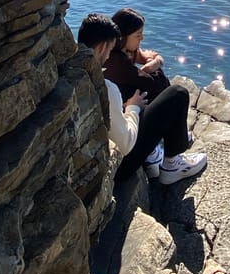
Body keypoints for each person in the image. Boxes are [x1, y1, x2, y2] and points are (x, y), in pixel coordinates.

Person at [77, 13, 207, 185]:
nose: (108, 56)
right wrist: (133, 108)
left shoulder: (74, 75)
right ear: (101, 48)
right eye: (108, 50)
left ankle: (155, 152)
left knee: (147, 92)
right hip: (119, 166)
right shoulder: (107, 88)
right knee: (178, 94)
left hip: (92, 161)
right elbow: (125, 144)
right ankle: (172, 166)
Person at [103, 7, 170, 103]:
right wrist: (151, 65)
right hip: (126, 106)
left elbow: (148, 57)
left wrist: (154, 63)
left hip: (132, 99)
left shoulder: (127, 50)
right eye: (138, 35)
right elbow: (152, 84)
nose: (142, 38)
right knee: (163, 81)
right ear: (122, 37)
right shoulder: (116, 61)